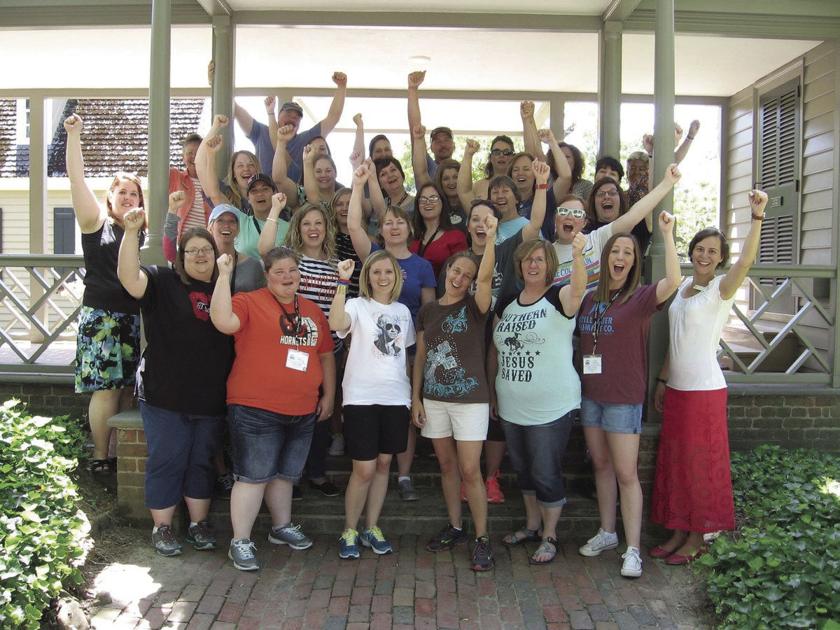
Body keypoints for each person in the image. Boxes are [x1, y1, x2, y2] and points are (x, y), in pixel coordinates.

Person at [650, 191, 768, 565]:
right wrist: (662, 381)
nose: (704, 255)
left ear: (720, 259)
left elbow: (747, 260)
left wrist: (757, 218)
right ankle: (679, 530)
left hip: (704, 392)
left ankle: (698, 536)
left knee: (700, 464)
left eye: (712, 251)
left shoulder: (721, 289)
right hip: (679, 390)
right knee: (678, 462)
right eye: (699, 248)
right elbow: (676, 340)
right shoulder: (683, 289)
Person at [210, 246, 336, 571]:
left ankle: (281, 528)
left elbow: (324, 355)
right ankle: (240, 540)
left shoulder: (311, 310)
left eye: (292, 270)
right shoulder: (249, 301)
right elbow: (223, 321)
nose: (287, 277)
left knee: (285, 475)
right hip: (255, 407)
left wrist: (329, 394)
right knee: (253, 476)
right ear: (267, 275)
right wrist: (224, 276)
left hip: (303, 407)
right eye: (279, 271)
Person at [117, 213, 233, 557]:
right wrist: (132, 231)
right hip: (164, 395)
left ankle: (198, 525)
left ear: (216, 255)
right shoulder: (163, 281)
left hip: (209, 398)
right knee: (167, 459)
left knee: (200, 461)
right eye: (192, 251)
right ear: (180, 257)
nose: (200, 256)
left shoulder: (224, 287)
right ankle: (163, 527)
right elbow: (128, 277)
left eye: (206, 250)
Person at [575, 212, 681, 579]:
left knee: (625, 473)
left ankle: (632, 548)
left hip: (623, 398)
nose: (620, 257)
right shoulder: (589, 300)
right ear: (605, 259)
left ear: (633, 262)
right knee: (601, 467)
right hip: (591, 396)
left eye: (627, 253)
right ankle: (607, 532)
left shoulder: (641, 298)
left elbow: (674, 280)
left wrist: (667, 235)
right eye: (614, 251)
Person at [490, 234, 587, 564]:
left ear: (549, 265)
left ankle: (550, 534)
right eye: (527, 259)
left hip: (552, 406)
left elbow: (578, 289)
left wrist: (577, 255)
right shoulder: (507, 304)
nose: (532, 264)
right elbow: (497, 350)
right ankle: (532, 525)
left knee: (546, 471)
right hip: (512, 404)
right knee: (524, 471)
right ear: (519, 265)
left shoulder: (559, 298)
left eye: (539, 259)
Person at [412, 214, 498, 572]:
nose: (459, 278)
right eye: (455, 271)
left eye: (468, 274)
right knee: (447, 466)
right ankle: (456, 527)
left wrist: (489, 240)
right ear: (446, 271)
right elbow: (420, 356)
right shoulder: (428, 310)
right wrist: (416, 398)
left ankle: (482, 538)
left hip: (470, 400)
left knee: (469, 469)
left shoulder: (476, 307)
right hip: (434, 399)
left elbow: (486, 276)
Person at [348, 161, 436, 501]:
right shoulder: (373, 255)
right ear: (380, 229)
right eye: (388, 222)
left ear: (409, 227)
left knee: (402, 410)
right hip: (370, 351)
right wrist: (359, 185)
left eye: (400, 221)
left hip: (410, 346)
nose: (394, 226)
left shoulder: (423, 266)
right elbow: (353, 223)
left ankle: (403, 475)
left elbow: (427, 310)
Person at [64, 113, 143, 474]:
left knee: (127, 390)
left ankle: (118, 455)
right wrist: (75, 135)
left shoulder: (141, 232)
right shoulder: (96, 223)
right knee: (107, 389)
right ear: (109, 196)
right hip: (103, 320)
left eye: (134, 192)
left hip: (134, 319)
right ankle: (100, 457)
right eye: (121, 191)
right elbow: (77, 179)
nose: (127, 197)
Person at [329, 251, 415, 559]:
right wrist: (342, 281)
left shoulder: (404, 312)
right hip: (361, 397)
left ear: (396, 277)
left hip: (395, 398)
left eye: (388, 272)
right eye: (376, 272)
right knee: (363, 468)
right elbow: (336, 322)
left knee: (383, 465)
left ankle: (371, 527)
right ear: (367, 276)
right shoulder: (356, 304)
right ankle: (349, 529)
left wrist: (412, 398)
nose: (382, 277)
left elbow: (405, 358)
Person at [258, 197, 343, 499]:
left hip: (326, 349)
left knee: (321, 414)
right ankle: (288, 478)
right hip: (290, 347)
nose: (313, 228)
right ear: (298, 227)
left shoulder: (336, 264)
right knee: (290, 411)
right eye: (306, 223)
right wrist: (275, 210)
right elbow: (265, 250)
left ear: (327, 227)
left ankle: (316, 473)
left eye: (318, 223)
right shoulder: (290, 259)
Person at [552, 165, 682, 290]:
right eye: (563, 212)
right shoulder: (546, 253)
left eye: (577, 213)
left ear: (584, 222)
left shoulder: (596, 239)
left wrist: (667, 183)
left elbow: (634, 214)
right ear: (555, 218)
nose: (569, 217)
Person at [230, 73, 347, 180]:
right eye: (288, 114)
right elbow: (237, 111)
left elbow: (333, 117)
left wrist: (341, 87)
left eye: (297, 117)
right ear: (278, 117)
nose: (292, 118)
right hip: (261, 193)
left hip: (294, 196)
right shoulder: (261, 132)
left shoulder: (307, 139)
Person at [195, 115, 259, 213]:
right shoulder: (225, 192)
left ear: (257, 170)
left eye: (251, 165)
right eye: (240, 165)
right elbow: (200, 164)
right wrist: (215, 127)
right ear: (233, 174)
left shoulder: (267, 194)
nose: (246, 168)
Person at [166, 132, 212, 262]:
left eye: (198, 153)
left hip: (206, 246)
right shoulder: (176, 177)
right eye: (189, 153)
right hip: (184, 246)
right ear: (183, 157)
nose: (194, 157)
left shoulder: (212, 183)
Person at [410, 183, 468, 276]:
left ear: (442, 202)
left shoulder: (456, 237)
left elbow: (462, 272)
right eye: (423, 199)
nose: (428, 202)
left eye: (433, 198)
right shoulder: (411, 236)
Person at [407, 70, 455, 178]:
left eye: (447, 140)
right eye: (437, 141)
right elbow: (415, 129)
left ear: (454, 145)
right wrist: (412, 89)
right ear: (431, 147)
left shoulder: (462, 171)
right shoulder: (427, 167)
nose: (442, 145)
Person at [458, 135, 516, 207]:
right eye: (496, 152)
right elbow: (464, 193)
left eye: (506, 152)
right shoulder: (478, 186)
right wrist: (468, 154)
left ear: (513, 157)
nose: (501, 155)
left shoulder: (520, 184)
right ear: (491, 157)